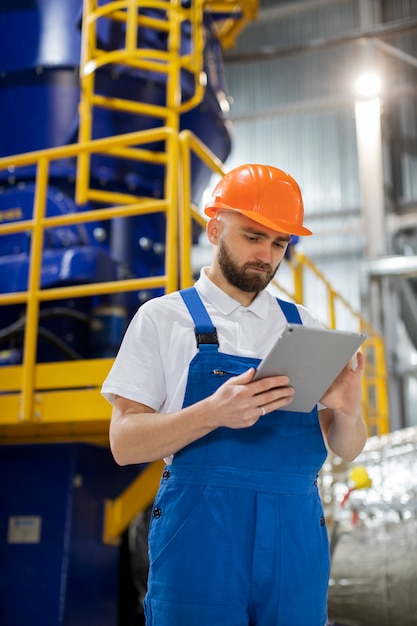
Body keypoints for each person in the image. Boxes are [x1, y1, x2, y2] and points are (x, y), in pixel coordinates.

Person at [102, 163, 367, 626]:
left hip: (295, 537)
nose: (266, 254)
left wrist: (348, 410)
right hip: (201, 535)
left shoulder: (305, 325)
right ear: (214, 228)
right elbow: (124, 443)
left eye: (279, 243)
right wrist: (211, 413)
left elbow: (347, 447)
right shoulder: (163, 319)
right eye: (252, 236)